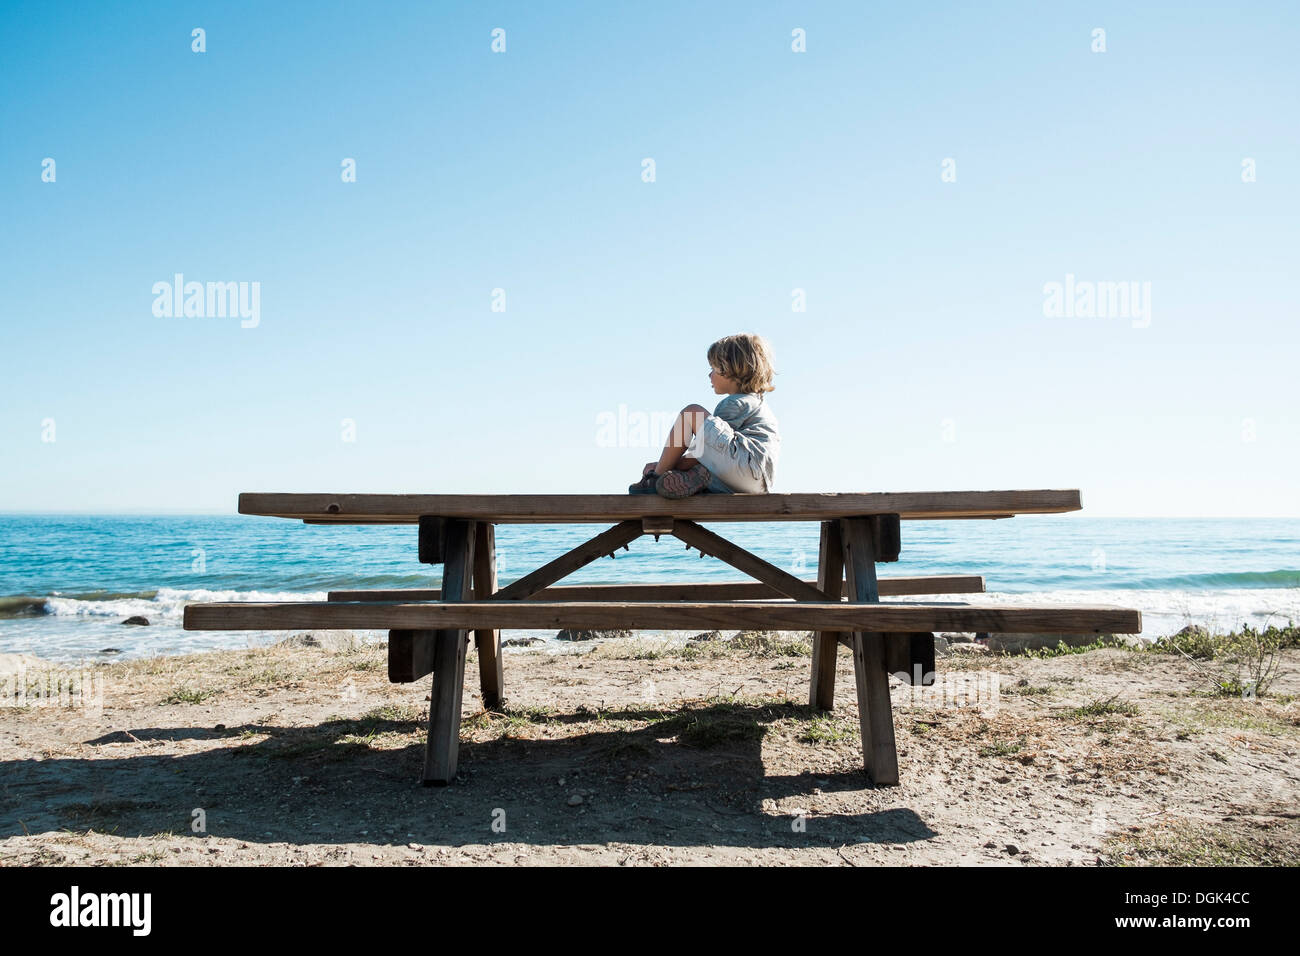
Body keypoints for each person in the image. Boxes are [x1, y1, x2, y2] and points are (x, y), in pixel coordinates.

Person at [628, 333, 780, 498]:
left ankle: (655, 478)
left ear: (730, 370)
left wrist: (664, 466)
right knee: (704, 467)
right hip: (757, 483)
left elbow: (700, 451)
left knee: (691, 413)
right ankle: (698, 478)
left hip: (744, 466)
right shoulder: (759, 406)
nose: (709, 375)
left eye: (713, 369)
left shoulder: (735, 403)